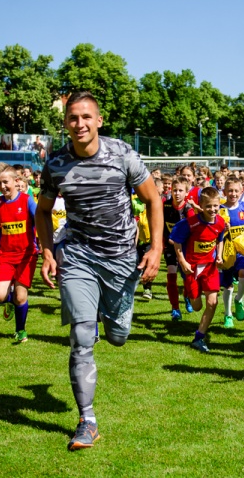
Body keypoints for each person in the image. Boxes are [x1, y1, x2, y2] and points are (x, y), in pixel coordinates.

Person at [36, 91, 163, 451]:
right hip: (77, 256)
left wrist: (154, 248)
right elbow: (42, 211)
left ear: (99, 120)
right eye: (73, 118)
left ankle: (109, 317)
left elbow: (153, 200)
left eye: (87, 117)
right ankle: (86, 421)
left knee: (118, 336)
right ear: (65, 123)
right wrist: (48, 252)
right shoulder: (56, 163)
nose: (80, 124)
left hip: (121, 259)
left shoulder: (122, 154)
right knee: (81, 335)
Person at [170, 187, 227, 352]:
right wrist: (182, 261)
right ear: (201, 205)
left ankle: (199, 337)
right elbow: (176, 241)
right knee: (196, 306)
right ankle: (188, 294)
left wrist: (219, 256)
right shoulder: (190, 223)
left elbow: (220, 238)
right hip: (192, 269)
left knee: (213, 302)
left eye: (216, 206)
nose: (213, 210)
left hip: (210, 268)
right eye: (208, 206)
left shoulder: (220, 222)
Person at [0, 167, 37, 344]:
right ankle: (11, 302)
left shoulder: (27, 200)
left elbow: (40, 221)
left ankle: (20, 330)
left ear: (16, 181)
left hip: (27, 255)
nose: (2, 186)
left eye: (5, 182)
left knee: (21, 296)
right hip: (6, 256)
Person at [218, 176, 244, 328]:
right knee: (228, 285)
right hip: (226, 253)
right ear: (224, 192)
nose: (233, 194)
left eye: (236, 191)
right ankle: (227, 314)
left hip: (243, 251)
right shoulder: (220, 209)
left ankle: (239, 299)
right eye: (230, 191)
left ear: (242, 191)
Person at [161, 176, 194, 320]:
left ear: (187, 193)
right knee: (171, 277)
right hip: (169, 247)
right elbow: (160, 224)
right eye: (175, 190)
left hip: (184, 249)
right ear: (170, 191)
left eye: (181, 190)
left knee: (187, 278)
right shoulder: (165, 205)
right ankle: (175, 308)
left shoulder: (188, 210)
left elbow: (193, 230)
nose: (177, 193)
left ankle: (187, 296)